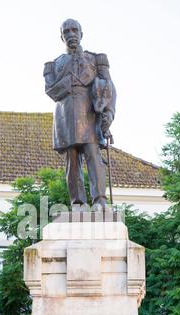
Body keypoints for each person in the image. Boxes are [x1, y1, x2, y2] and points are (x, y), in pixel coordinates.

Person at [43, 19, 116, 210]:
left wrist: (109, 112)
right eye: (66, 31)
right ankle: (77, 203)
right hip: (65, 116)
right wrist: (74, 80)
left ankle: (100, 200)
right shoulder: (53, 64)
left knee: (94, 156)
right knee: (72, 160)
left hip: (90, 113)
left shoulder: (96, 59)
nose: (71, 34)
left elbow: (109, 87)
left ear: (81, 33)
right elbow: (51, 90)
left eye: (75, 30)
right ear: (61, 36)